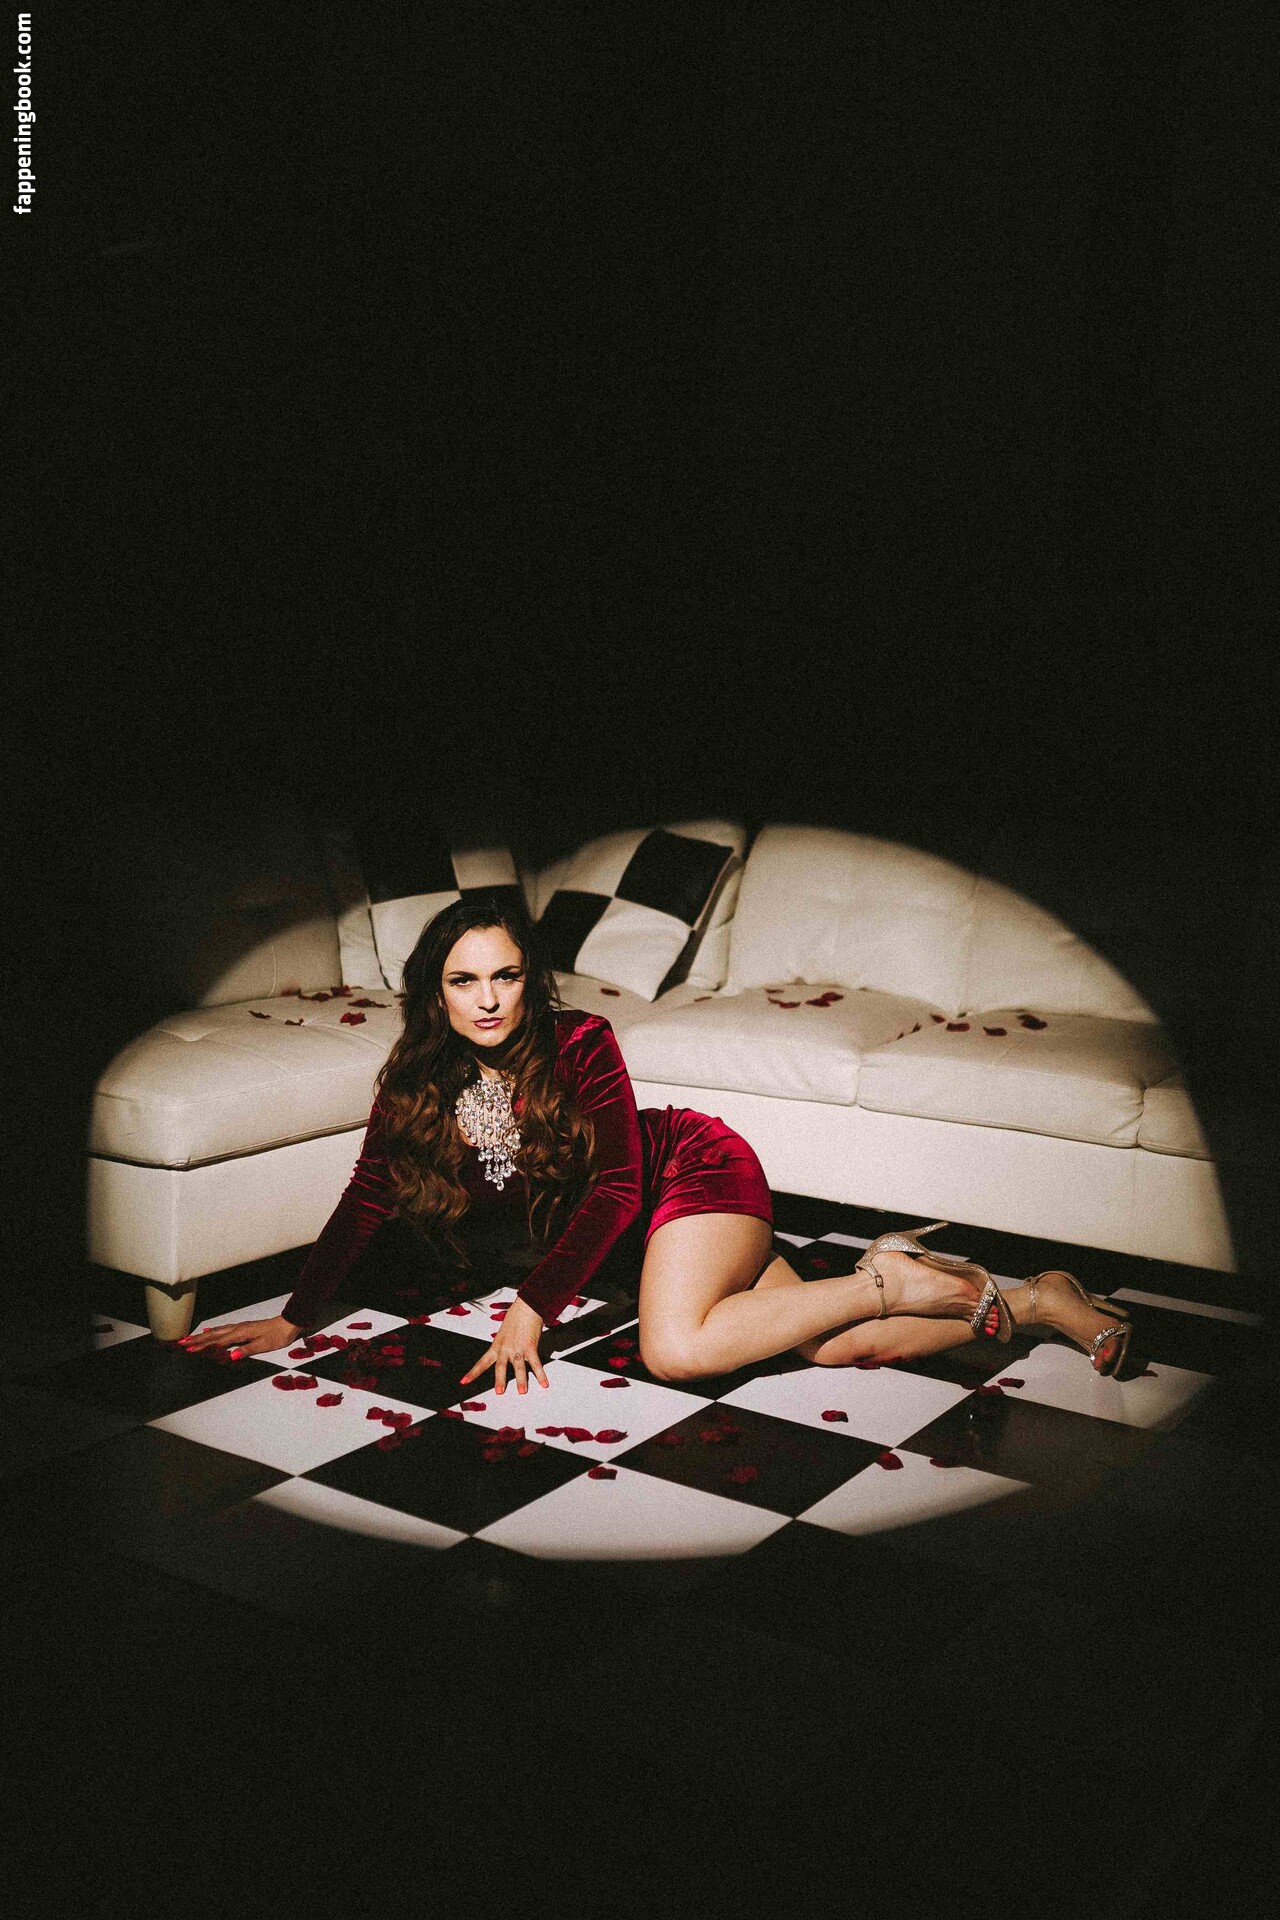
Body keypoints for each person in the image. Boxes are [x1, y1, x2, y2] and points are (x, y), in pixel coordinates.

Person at [179, 896, 1132, 1388]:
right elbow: (367, 1198)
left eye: (506, 976)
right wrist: (296, 1317)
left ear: (529, 978)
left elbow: (615, 1192)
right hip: (641, 1241)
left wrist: (533, 1308)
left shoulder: (580, 1042)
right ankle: (1034, 1299)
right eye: (464, 981)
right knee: (838, 1352)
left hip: (688, 1176)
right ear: (436, 989)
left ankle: (891, 1275)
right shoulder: (414, 1081)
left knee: (676, 1350)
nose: (489, 1000)